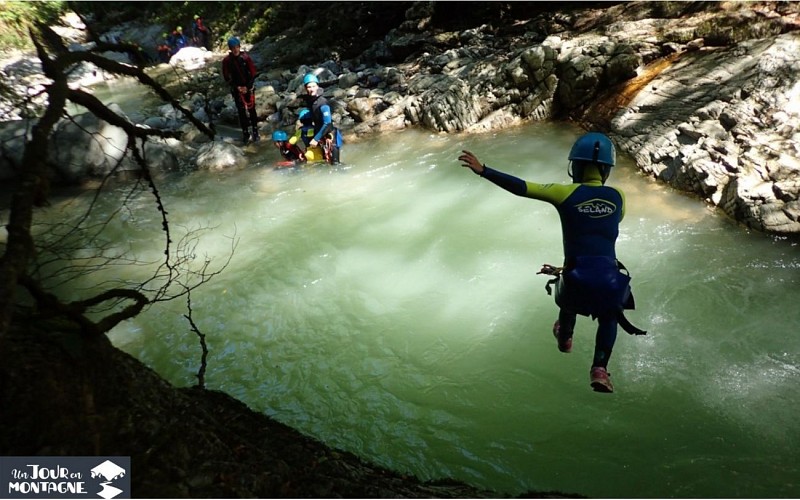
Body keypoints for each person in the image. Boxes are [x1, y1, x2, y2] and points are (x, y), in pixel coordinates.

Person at [457, 132, 644, 393]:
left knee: (569, 291)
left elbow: (523, 187)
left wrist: (483, 170)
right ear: (606, 169)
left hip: (577, 277)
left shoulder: (563, 192)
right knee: (610, 314)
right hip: (611, 279)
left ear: (575, 166)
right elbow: (611, 222)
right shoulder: (619, 197)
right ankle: (600, 369)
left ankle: (565, 337)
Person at [222, 37, 260, 144]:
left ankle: (255, 130)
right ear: (230, 49)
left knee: (252, 109)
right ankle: (245, 133)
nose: (235, 50)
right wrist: (237, 87)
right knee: (241, 111)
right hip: (236, 89)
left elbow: (253, 73)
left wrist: (247, 87)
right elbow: (227, 77)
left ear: (239, 47)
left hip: (248, 86)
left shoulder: (245, 58)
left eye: (237, 47)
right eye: (233, 48)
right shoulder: (227, 61)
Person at [301, 73, 342, 164]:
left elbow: (327, 123)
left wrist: (316, 139)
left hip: (330, 135)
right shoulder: (310, 101)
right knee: (322, 161)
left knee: (335, 165)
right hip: (320, 134)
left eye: (313, 86)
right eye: (309, 87)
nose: (312, 89)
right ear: (305, 88)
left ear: (317, 86)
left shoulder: (322, 103)